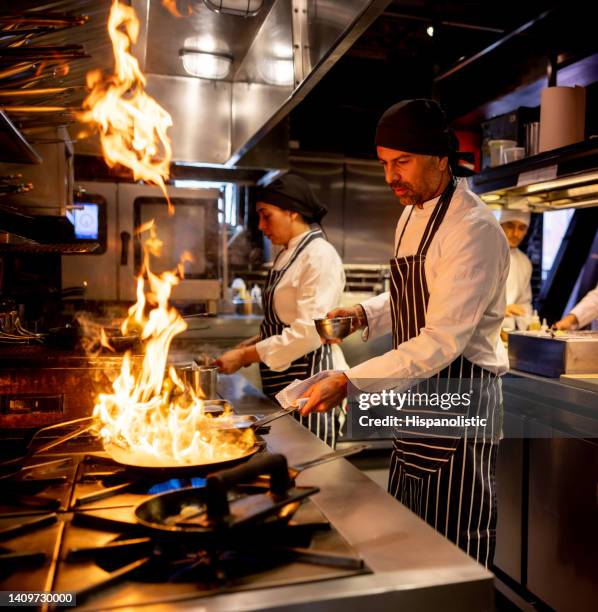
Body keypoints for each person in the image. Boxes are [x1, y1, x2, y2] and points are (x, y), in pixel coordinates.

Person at [293, 99, 510, 567]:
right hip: (418, 390)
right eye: (386, 164)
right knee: (411, 523)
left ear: (439, 157)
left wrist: (351, 381)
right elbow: (408, 295)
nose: (391, 176)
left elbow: (441, 338)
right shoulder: (410, 213)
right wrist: (363, 314)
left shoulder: (473, 229)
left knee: (456, 536)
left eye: (402, 162)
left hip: (461, 392)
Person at [214, 174, 348, 447]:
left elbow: (309, 332)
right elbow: (283, 322)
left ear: (292, 212)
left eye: (267, 216)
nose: (261, 226)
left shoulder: (319, 255)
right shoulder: (287, 253)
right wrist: (252, 345)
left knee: (310, 460)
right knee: (286, 453)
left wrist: (244, 355)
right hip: (282, 379)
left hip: (309, 378)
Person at [499, 210, 533, 328]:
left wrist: (524, 314)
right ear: (500, 225)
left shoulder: (525, 262)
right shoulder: (484, 254)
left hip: (510, 333)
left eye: (522, 228)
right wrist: (501, 309)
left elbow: (525, 303)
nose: (515, 234)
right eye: (510, 226)